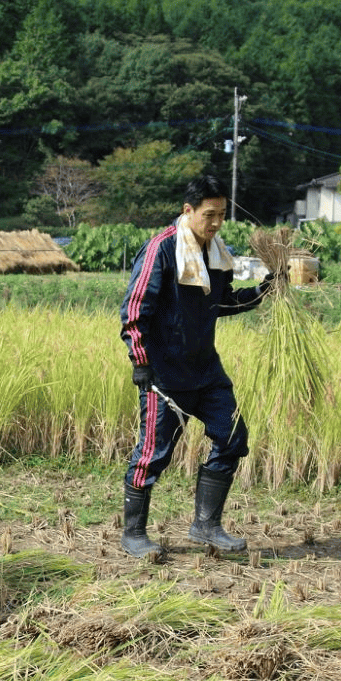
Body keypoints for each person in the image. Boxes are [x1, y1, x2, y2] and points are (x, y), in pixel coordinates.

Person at [117, 174, 270, 557]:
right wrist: (141, 362)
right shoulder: (162, 250)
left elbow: (224, 303)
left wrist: (266, 290)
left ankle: (206, 524)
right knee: (153, 454)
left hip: (206, 372)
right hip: (165, 376)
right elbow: (135, 311)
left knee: (233, 439)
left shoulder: (217, 255)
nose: (216, 223)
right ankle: (133, 533)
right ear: (188, 211)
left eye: (221, 215)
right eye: (209, 215)